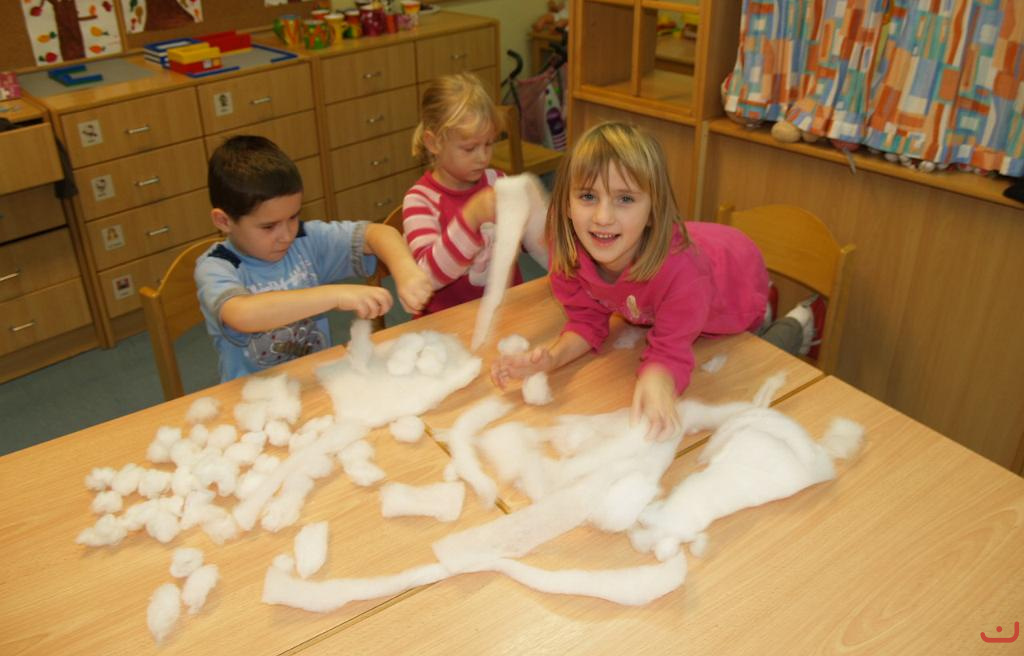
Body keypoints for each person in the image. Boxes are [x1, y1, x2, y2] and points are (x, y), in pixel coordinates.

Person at [491, 122, 816, 441]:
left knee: (756, 354)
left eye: (625, 199)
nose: (603, 217)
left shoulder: (683, 273)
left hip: (735, 284)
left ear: (653, 210)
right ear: (566, 204)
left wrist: (659, 376)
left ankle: (800, 319)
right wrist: (551, 359)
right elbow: (586, 320)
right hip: (693, 276)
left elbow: (671, 350)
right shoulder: (569, 257)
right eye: (588, 196)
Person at [195, 135, 432, 382]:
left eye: (293, 216)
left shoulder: (305, 239)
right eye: (268, 227)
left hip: (314, 383)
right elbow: (243, 314)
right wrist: (335, 296)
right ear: (224, 221)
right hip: (252, 394)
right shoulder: (216, 266)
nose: (286, 235)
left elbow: (377, 234)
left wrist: (406, 271)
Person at [402, 72, 522, 315]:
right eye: (469, 148)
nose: (483, 157)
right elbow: (427, 277)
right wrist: (471, 218)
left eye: (488, 144)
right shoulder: (419, 201)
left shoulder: (498, 182)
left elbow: (535, 241)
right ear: (433, 143)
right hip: (447, 323)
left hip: (505, 312)